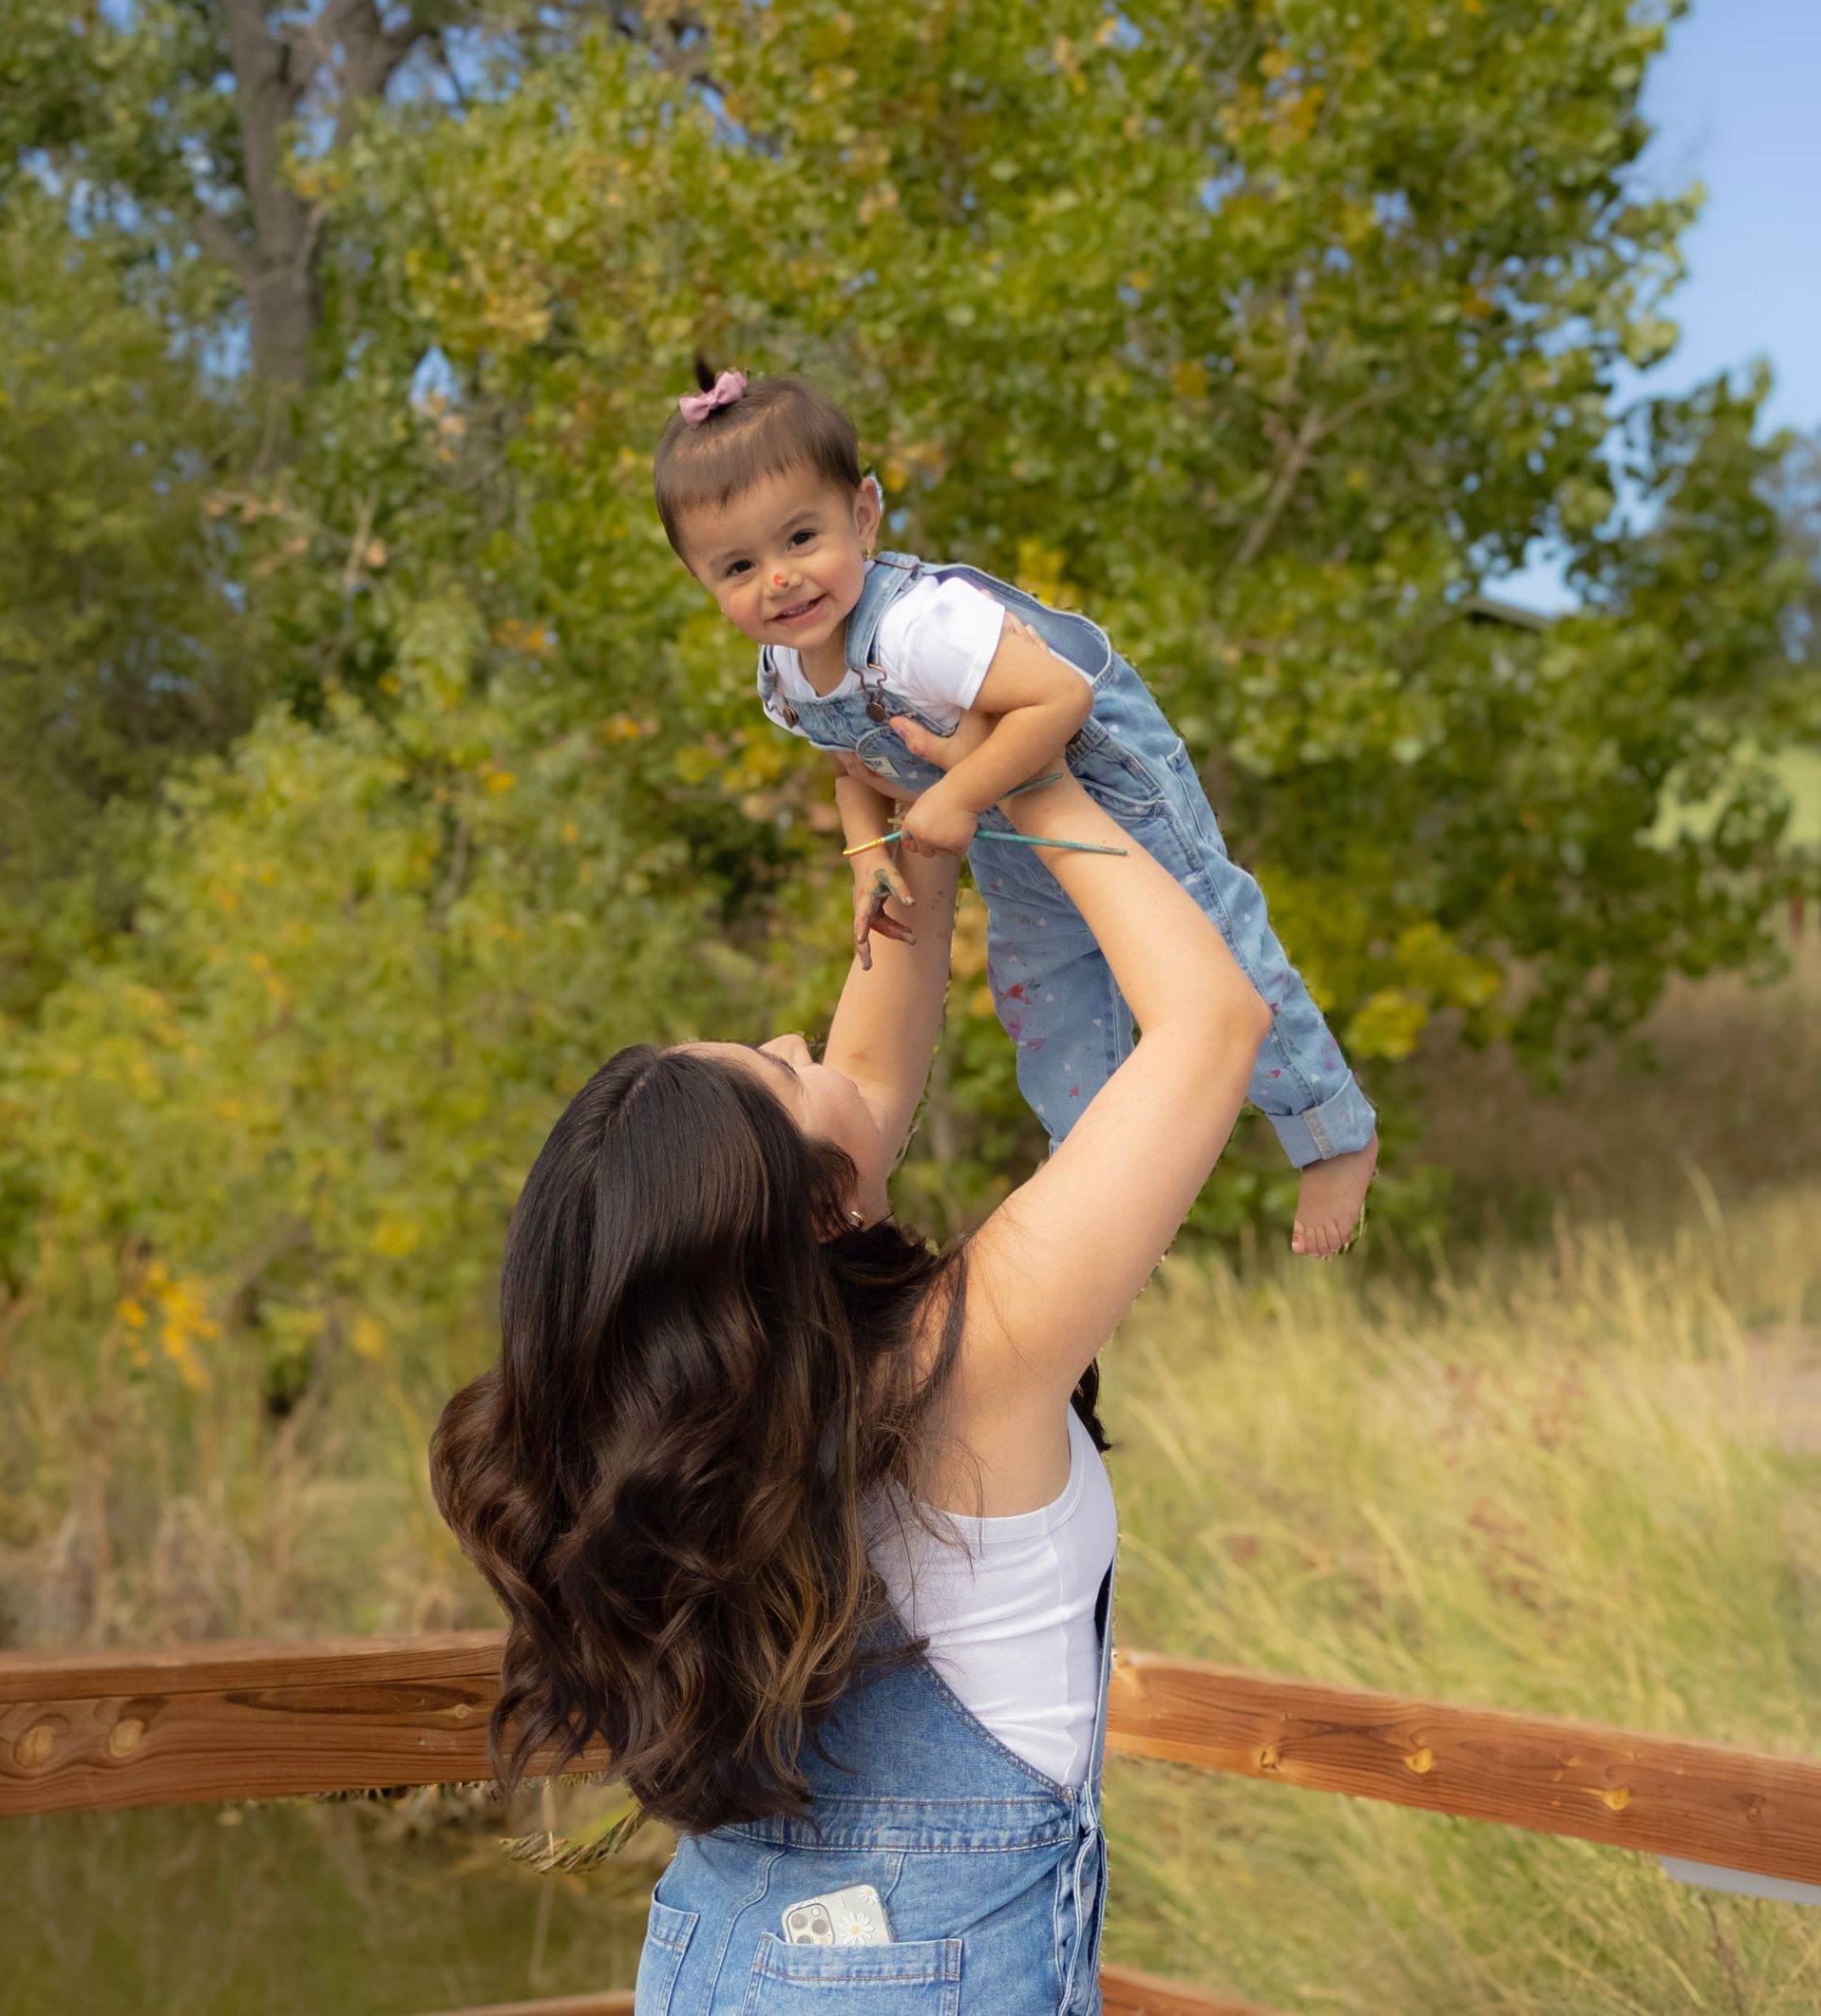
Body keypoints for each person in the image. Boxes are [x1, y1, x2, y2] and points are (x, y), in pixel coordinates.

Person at [432, 720, 1272, 2013]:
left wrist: (898, 829)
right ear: (812, 1213)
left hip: (712, 1966)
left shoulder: (711, 1427)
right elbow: (1212, 1023)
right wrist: (1029, 766)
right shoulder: (958, 1369)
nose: (798, 1036)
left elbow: (864, 1080)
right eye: (780, 1068)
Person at [653, 362, 1378, 1257]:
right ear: (701, 580)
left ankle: (1331, 1131)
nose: (780, 580)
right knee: (1044, 998)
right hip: (1000, 824)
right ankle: (1103, 1196)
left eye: (801, 537)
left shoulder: (918, 624)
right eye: (738, 565)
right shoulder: (790, 672)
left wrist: (957, 792)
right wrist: (865, 853)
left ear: (864, 513)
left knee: (1214, 941)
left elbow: (1057, 698)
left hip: (1101, 778)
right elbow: (854, 772)